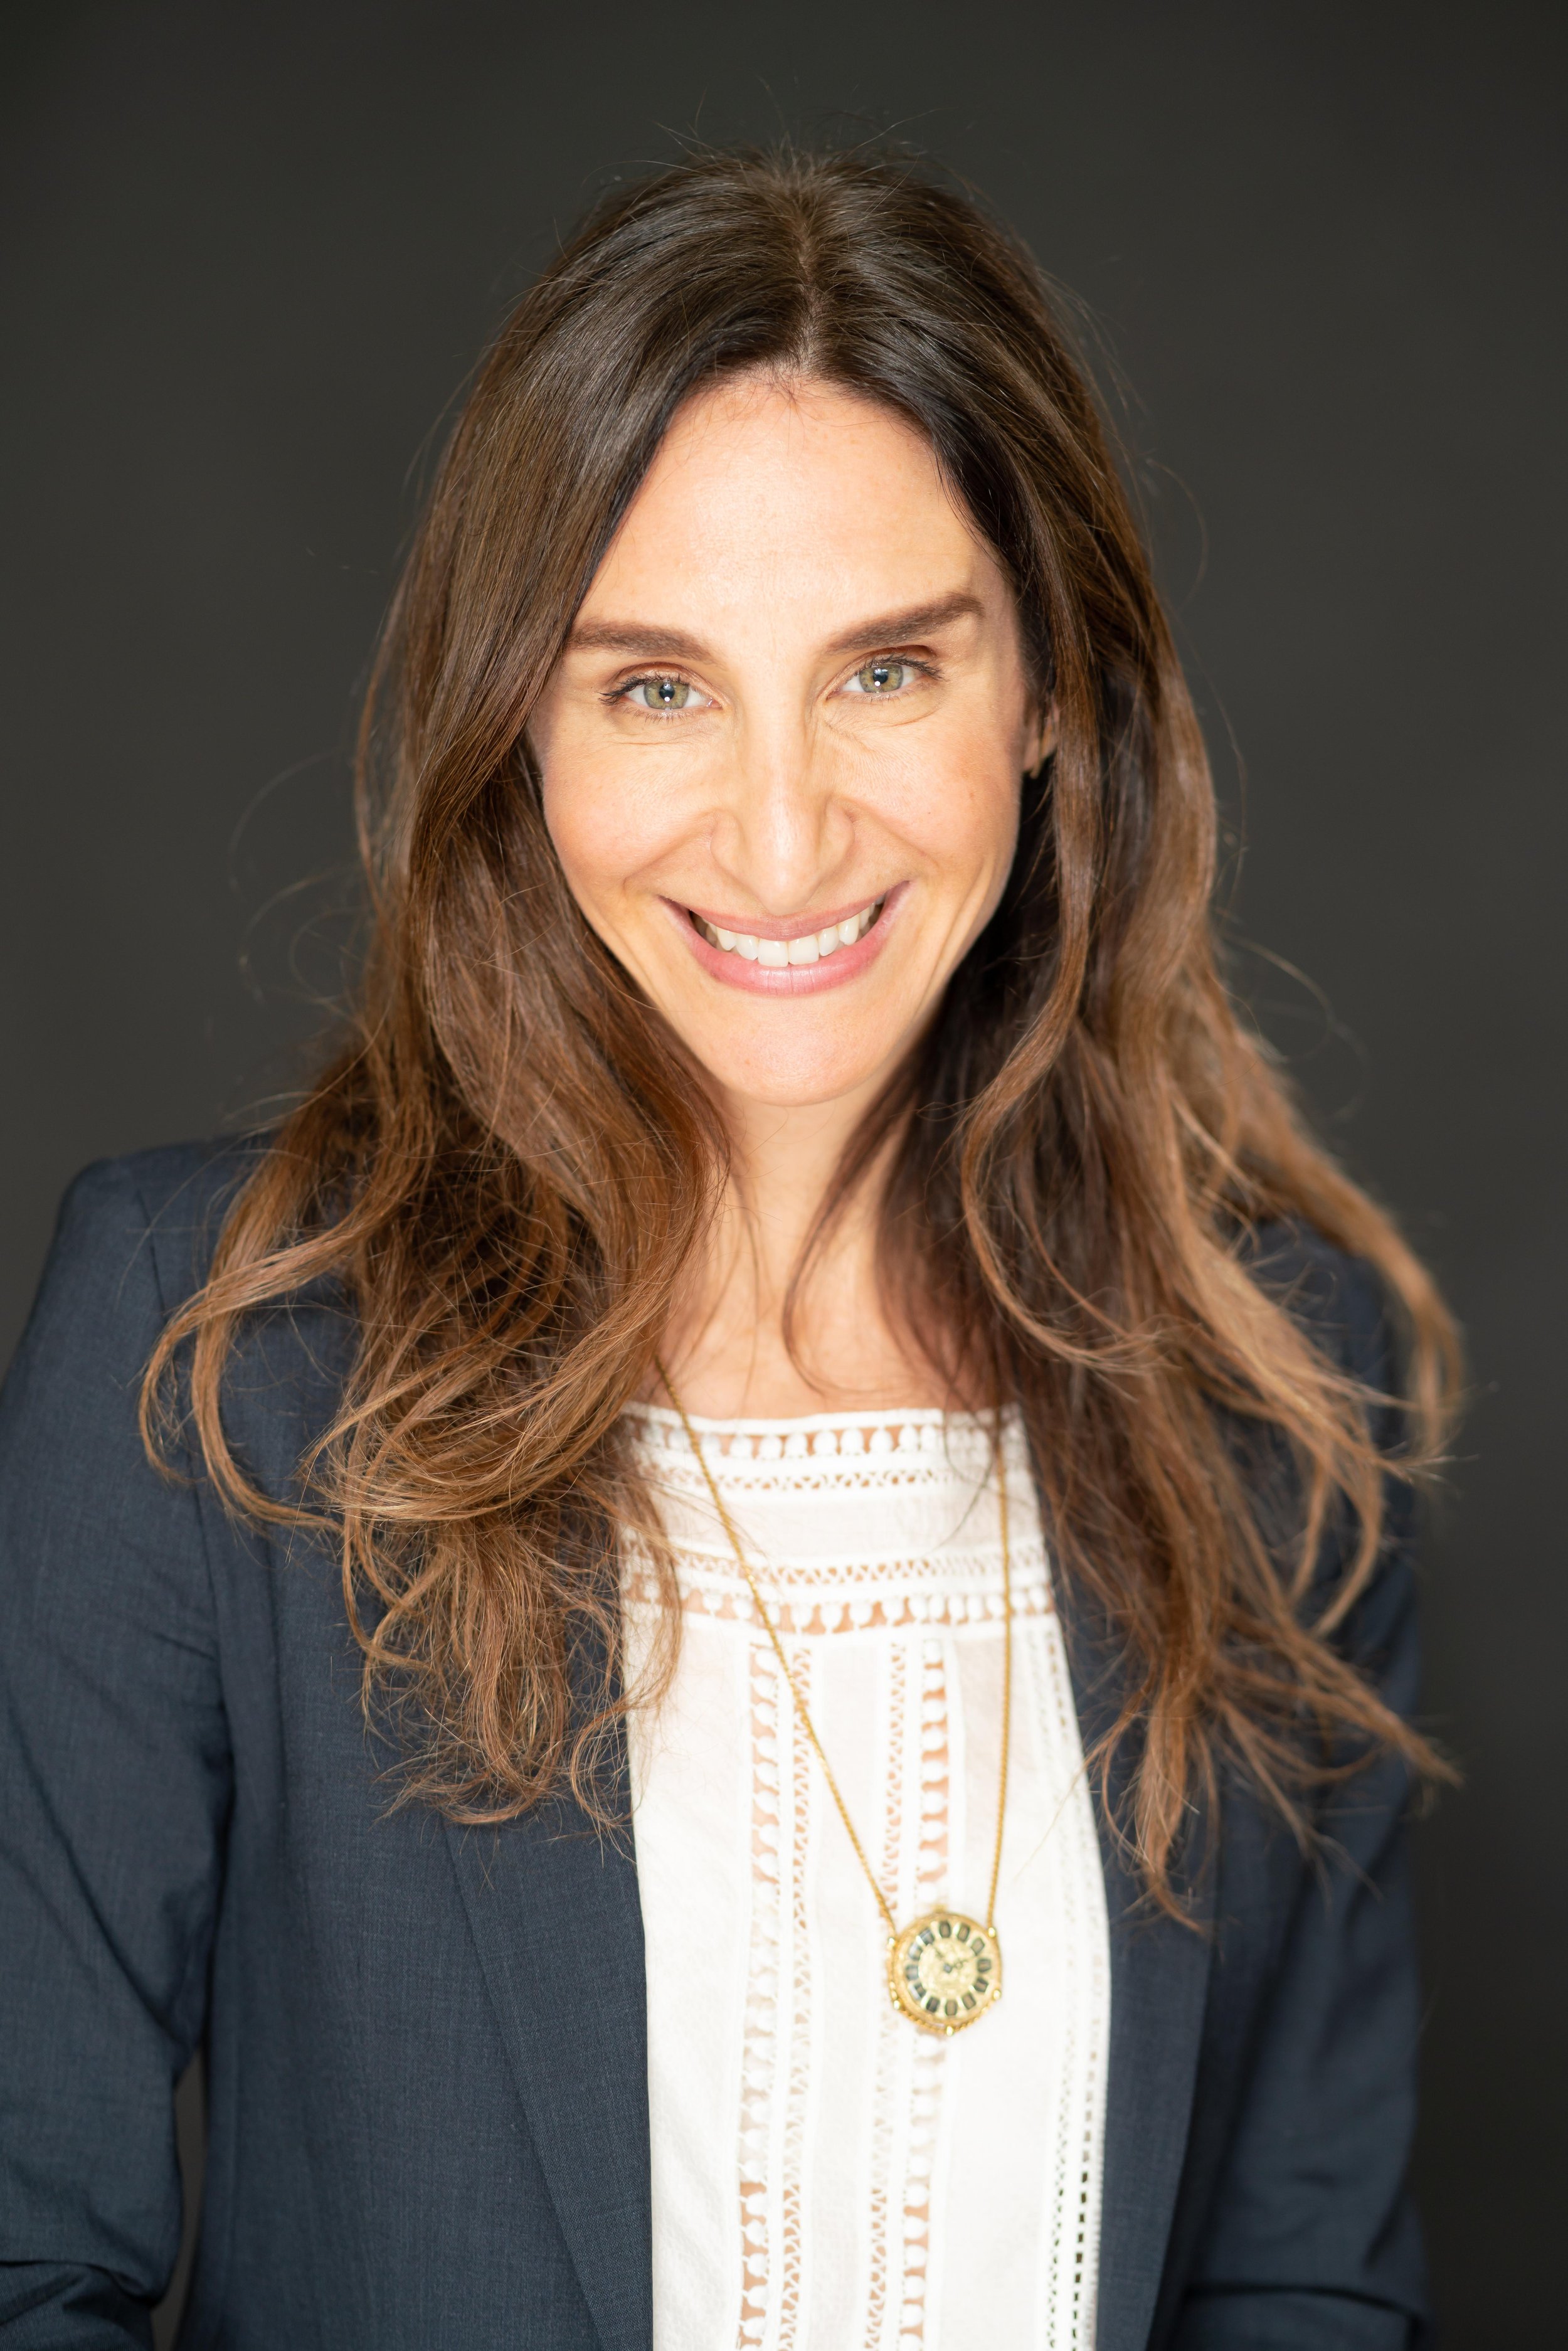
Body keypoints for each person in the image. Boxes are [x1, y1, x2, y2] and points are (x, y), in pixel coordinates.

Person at [0, 147, 1457, 2350]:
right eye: (654, 686)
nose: (780, 835)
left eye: (884, 670)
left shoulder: (1280, 1404)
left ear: (1046, 692)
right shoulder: (214, 1358)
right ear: (524, 727)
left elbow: (1302, 2284)